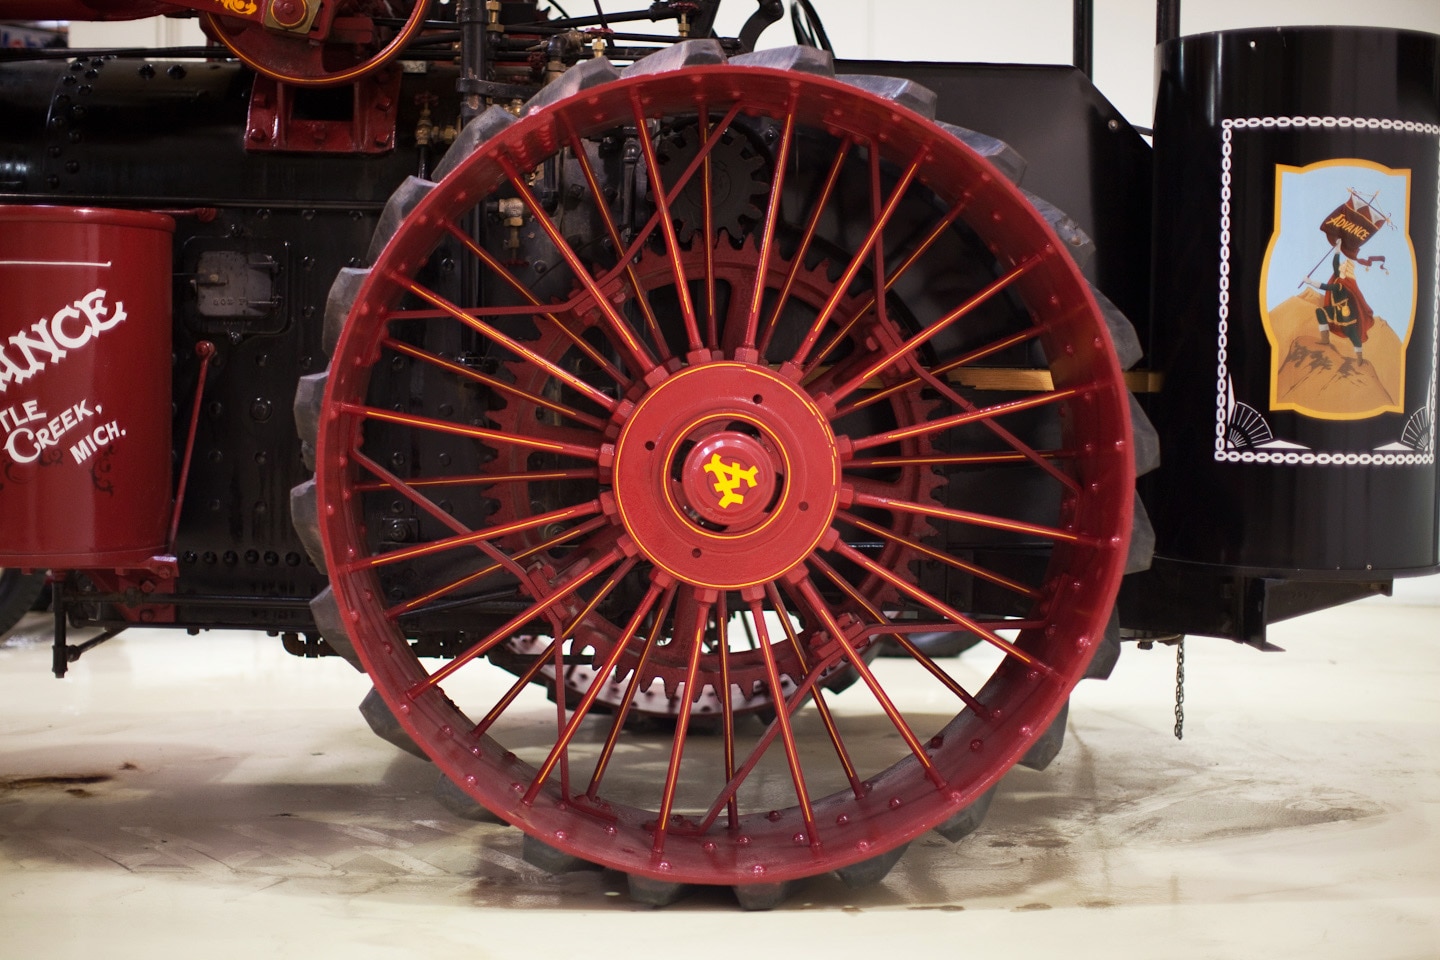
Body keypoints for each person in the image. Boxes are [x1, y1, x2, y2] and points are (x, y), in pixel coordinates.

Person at [1306, 252, 1375, 362]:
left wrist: (1310, 282)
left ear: (1346, 270)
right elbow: (1335, 264)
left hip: (1345, 312)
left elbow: (1326, 287)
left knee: (1351, 333)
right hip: (1336, 310)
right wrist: (1337, 250)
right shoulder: (1339, 278)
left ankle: (1359, 357)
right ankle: (1325, 339)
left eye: (1343, 265)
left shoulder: (1342, 283)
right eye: (1341, 264)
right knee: (1320, 312)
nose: (1341, 265)